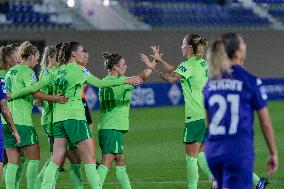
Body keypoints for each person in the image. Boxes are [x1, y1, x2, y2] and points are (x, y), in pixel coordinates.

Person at [10, 41, 143, 189]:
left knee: (56, 158)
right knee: (90, 159)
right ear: (73, 54)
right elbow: (100, 83)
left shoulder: (55, 71)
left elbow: (33, 88)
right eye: (81, 51)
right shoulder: (80, 70)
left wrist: (11, 95)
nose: (83, 54)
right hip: (76, 119)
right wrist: (126, 79)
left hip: (58, 120)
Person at [141, 34, 216, 189]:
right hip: (207, 115)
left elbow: (171, 78)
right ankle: (214, 180)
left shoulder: (187, 65)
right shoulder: (202, 63)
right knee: (200, 153)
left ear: (189, 47)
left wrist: (152, 67)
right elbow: (176, 70)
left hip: (194, 116)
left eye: (183, 44)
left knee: (191, 157)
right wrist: (160, 60)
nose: (181, 46)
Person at [204, 33, 278, 189]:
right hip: (237, 150)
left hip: (213, 151)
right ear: (237, 53)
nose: (246, 45)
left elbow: (208, 122)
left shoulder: (211, 83)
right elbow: (265, 123)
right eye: (243, 43)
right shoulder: (250, 81)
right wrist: (273, 153)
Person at [3, 41, 67, 189]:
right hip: (21, 121)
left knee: (13, 161)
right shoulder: (28, 72)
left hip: (6, 121)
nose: (38, 61)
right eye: (37, 58)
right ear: (31, 55)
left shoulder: (10, 72)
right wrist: (55, 98)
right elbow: (35, 92)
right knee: (34, 158)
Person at [97, 52, 154, 189]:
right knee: (107, 161)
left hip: (107, 126)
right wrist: (152, 65)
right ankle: (96, 185)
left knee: (120, 160)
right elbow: (142, 77)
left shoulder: (104, 82)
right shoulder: (122, 83)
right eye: (123, 65)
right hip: (113, 128)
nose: (126, 67)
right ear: (115, 67)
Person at [0, 44, 21, 181]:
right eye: (17, 55)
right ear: (8, 58)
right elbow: (4, 105)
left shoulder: (8, 75)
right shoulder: (2, 76)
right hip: (7, 122)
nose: (20, 59)